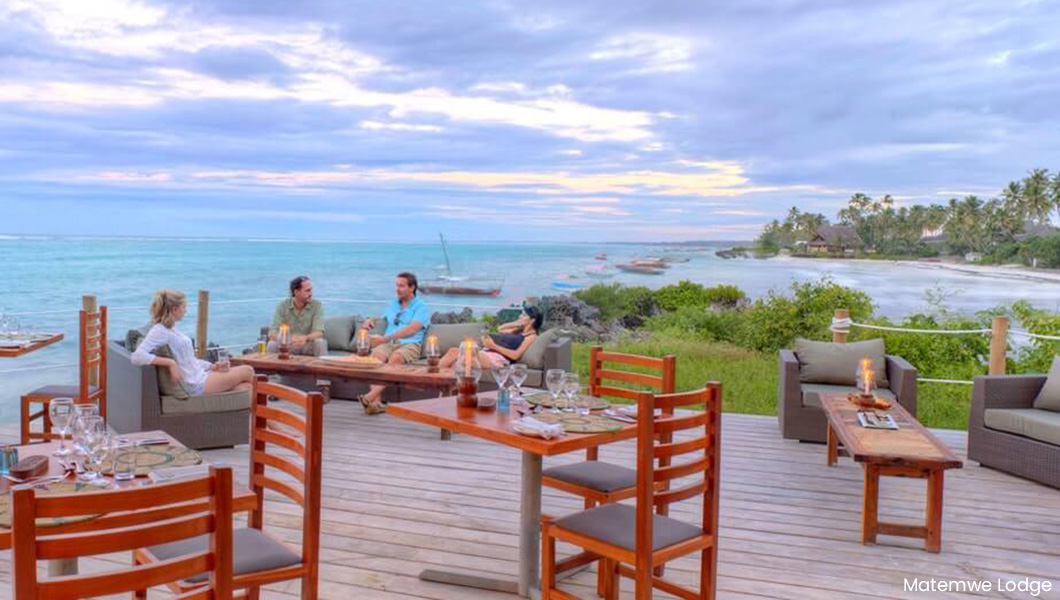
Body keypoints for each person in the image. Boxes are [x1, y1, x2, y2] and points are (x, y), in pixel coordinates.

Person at [132, 289, 255, 395]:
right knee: (248, 371)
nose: (185, 310)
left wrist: (213, 366)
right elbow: (137, 357)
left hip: (201, 375)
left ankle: (267, 422)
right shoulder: (159, 330)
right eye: (184, 307)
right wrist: (170, 363)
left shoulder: (171, 329)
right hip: (195, 384)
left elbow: (189, 361)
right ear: (174, 309)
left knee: (247, 388)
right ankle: (272, 421)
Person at [359, 272, 431, 415]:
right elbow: (382, 317)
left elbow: (412, 329)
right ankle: (376, 404)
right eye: (396, 285)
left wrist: (385, 338)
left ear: (412, 288)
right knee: (374, 359)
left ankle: (370, 396)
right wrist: (370, 320)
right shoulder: (393, 304)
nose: (397, 289)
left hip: (410, 344)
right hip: (389, 343)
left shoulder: (422, 307)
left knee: (395, 359)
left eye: (401, 286)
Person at [439, 305, 543, 369]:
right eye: (521, 314)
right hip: (488, 352)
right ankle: (433, 378)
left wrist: (493, 346)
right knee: (454, 353)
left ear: (532, 320)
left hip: (499, 360)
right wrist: (517, 323)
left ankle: (435, 382)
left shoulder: (531, 337)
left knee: (463, 356)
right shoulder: (518, 330)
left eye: (524, 315)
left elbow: (515, 355)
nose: (520, 316)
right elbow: (501, 329)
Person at [268, 275, 327, 356]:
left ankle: (322, 368)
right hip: (288, 345)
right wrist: (290, 339)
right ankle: (270, 368)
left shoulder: (316, 305)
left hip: (307, 344)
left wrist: (305, 338)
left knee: (320, 342)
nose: (311, 293)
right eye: (307, 291)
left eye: (311, 290)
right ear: (296, 292)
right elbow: (272, 333)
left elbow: (319, 332)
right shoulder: (282, 306)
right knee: (272, 344)